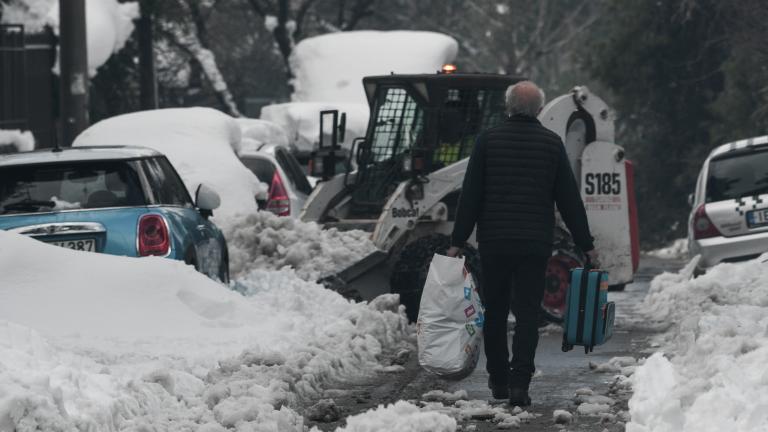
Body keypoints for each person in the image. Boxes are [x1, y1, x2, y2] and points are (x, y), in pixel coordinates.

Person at [446, 81, 599, 406]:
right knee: (528, 314)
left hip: (495, 242)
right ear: (540, 110)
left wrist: (457, 241)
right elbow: (570, 201)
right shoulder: (550, 143)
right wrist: (586, 245)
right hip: (534, 244)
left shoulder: (488, 141)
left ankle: (498, 380)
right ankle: (520, 386)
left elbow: (470, 196)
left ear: (508, 108)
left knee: (497, 311)